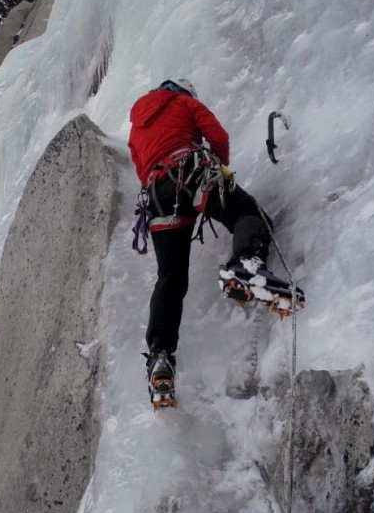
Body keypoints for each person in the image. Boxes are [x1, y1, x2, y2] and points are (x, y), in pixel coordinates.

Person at [128, 78, 299, 400]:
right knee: (247, 212)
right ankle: (246, 264)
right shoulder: (184, 103)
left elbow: (141, 169)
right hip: (191, 174)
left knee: (170, 278)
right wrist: (220, 167)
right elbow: (217, 136)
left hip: (158, 198)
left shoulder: (136, 128)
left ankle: (160, 356)